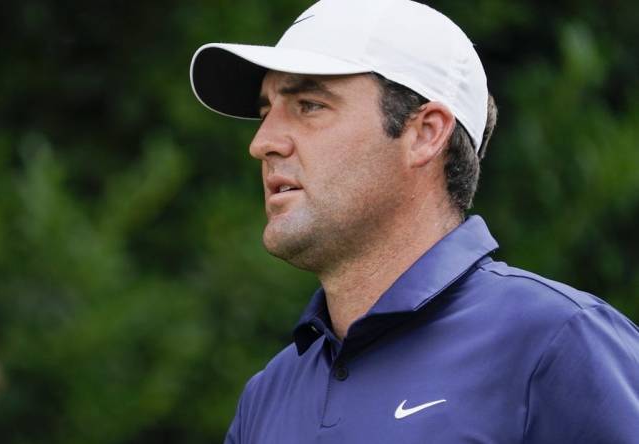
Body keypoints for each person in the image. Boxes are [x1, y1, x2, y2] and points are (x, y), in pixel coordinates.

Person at [189, 0, 639, 442]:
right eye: (267, 112)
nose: (262, 142)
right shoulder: (268, 395)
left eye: (309, 105)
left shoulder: (557, 342)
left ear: (425, 134)